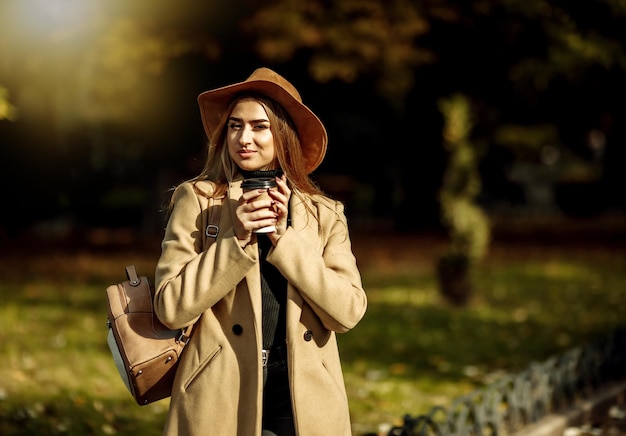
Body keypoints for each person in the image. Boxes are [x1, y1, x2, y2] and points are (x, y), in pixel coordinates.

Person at [153, 67, 367, 436]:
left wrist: (286, 241)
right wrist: (235, 240)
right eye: (235, 126)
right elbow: (170, 308)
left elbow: (347, 313)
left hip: (303, 395)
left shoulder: (324, 214)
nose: (244, 138)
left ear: (283, 134)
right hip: (219, 385)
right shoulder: (199, 202)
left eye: (259, 126)